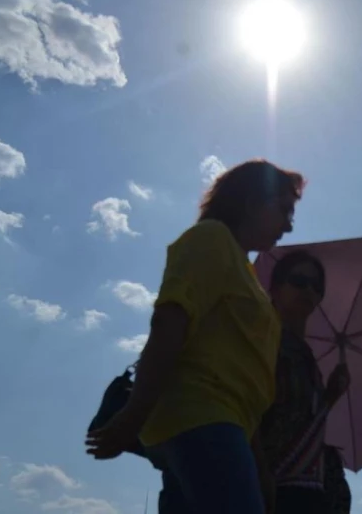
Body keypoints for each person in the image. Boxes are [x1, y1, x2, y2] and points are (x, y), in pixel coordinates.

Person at [86, 159, 305, 514]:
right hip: (201, 419)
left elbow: (240, 382)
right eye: (283, 209)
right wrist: (132, 416)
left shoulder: (243, 269)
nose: (289, 226)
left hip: (226, 425)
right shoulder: (211, 239)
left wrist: (258, 466)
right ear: (252, 201)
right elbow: (170, 324)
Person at [258, 250, 352, 513]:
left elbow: (300, 418)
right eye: (298, 281)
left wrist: (330, 397)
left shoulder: (306, 356)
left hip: (304, 490)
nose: (308, 290)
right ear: (275, 288)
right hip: (268, 484)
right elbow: (246, 411)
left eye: (316, 286)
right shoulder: (263, 340)